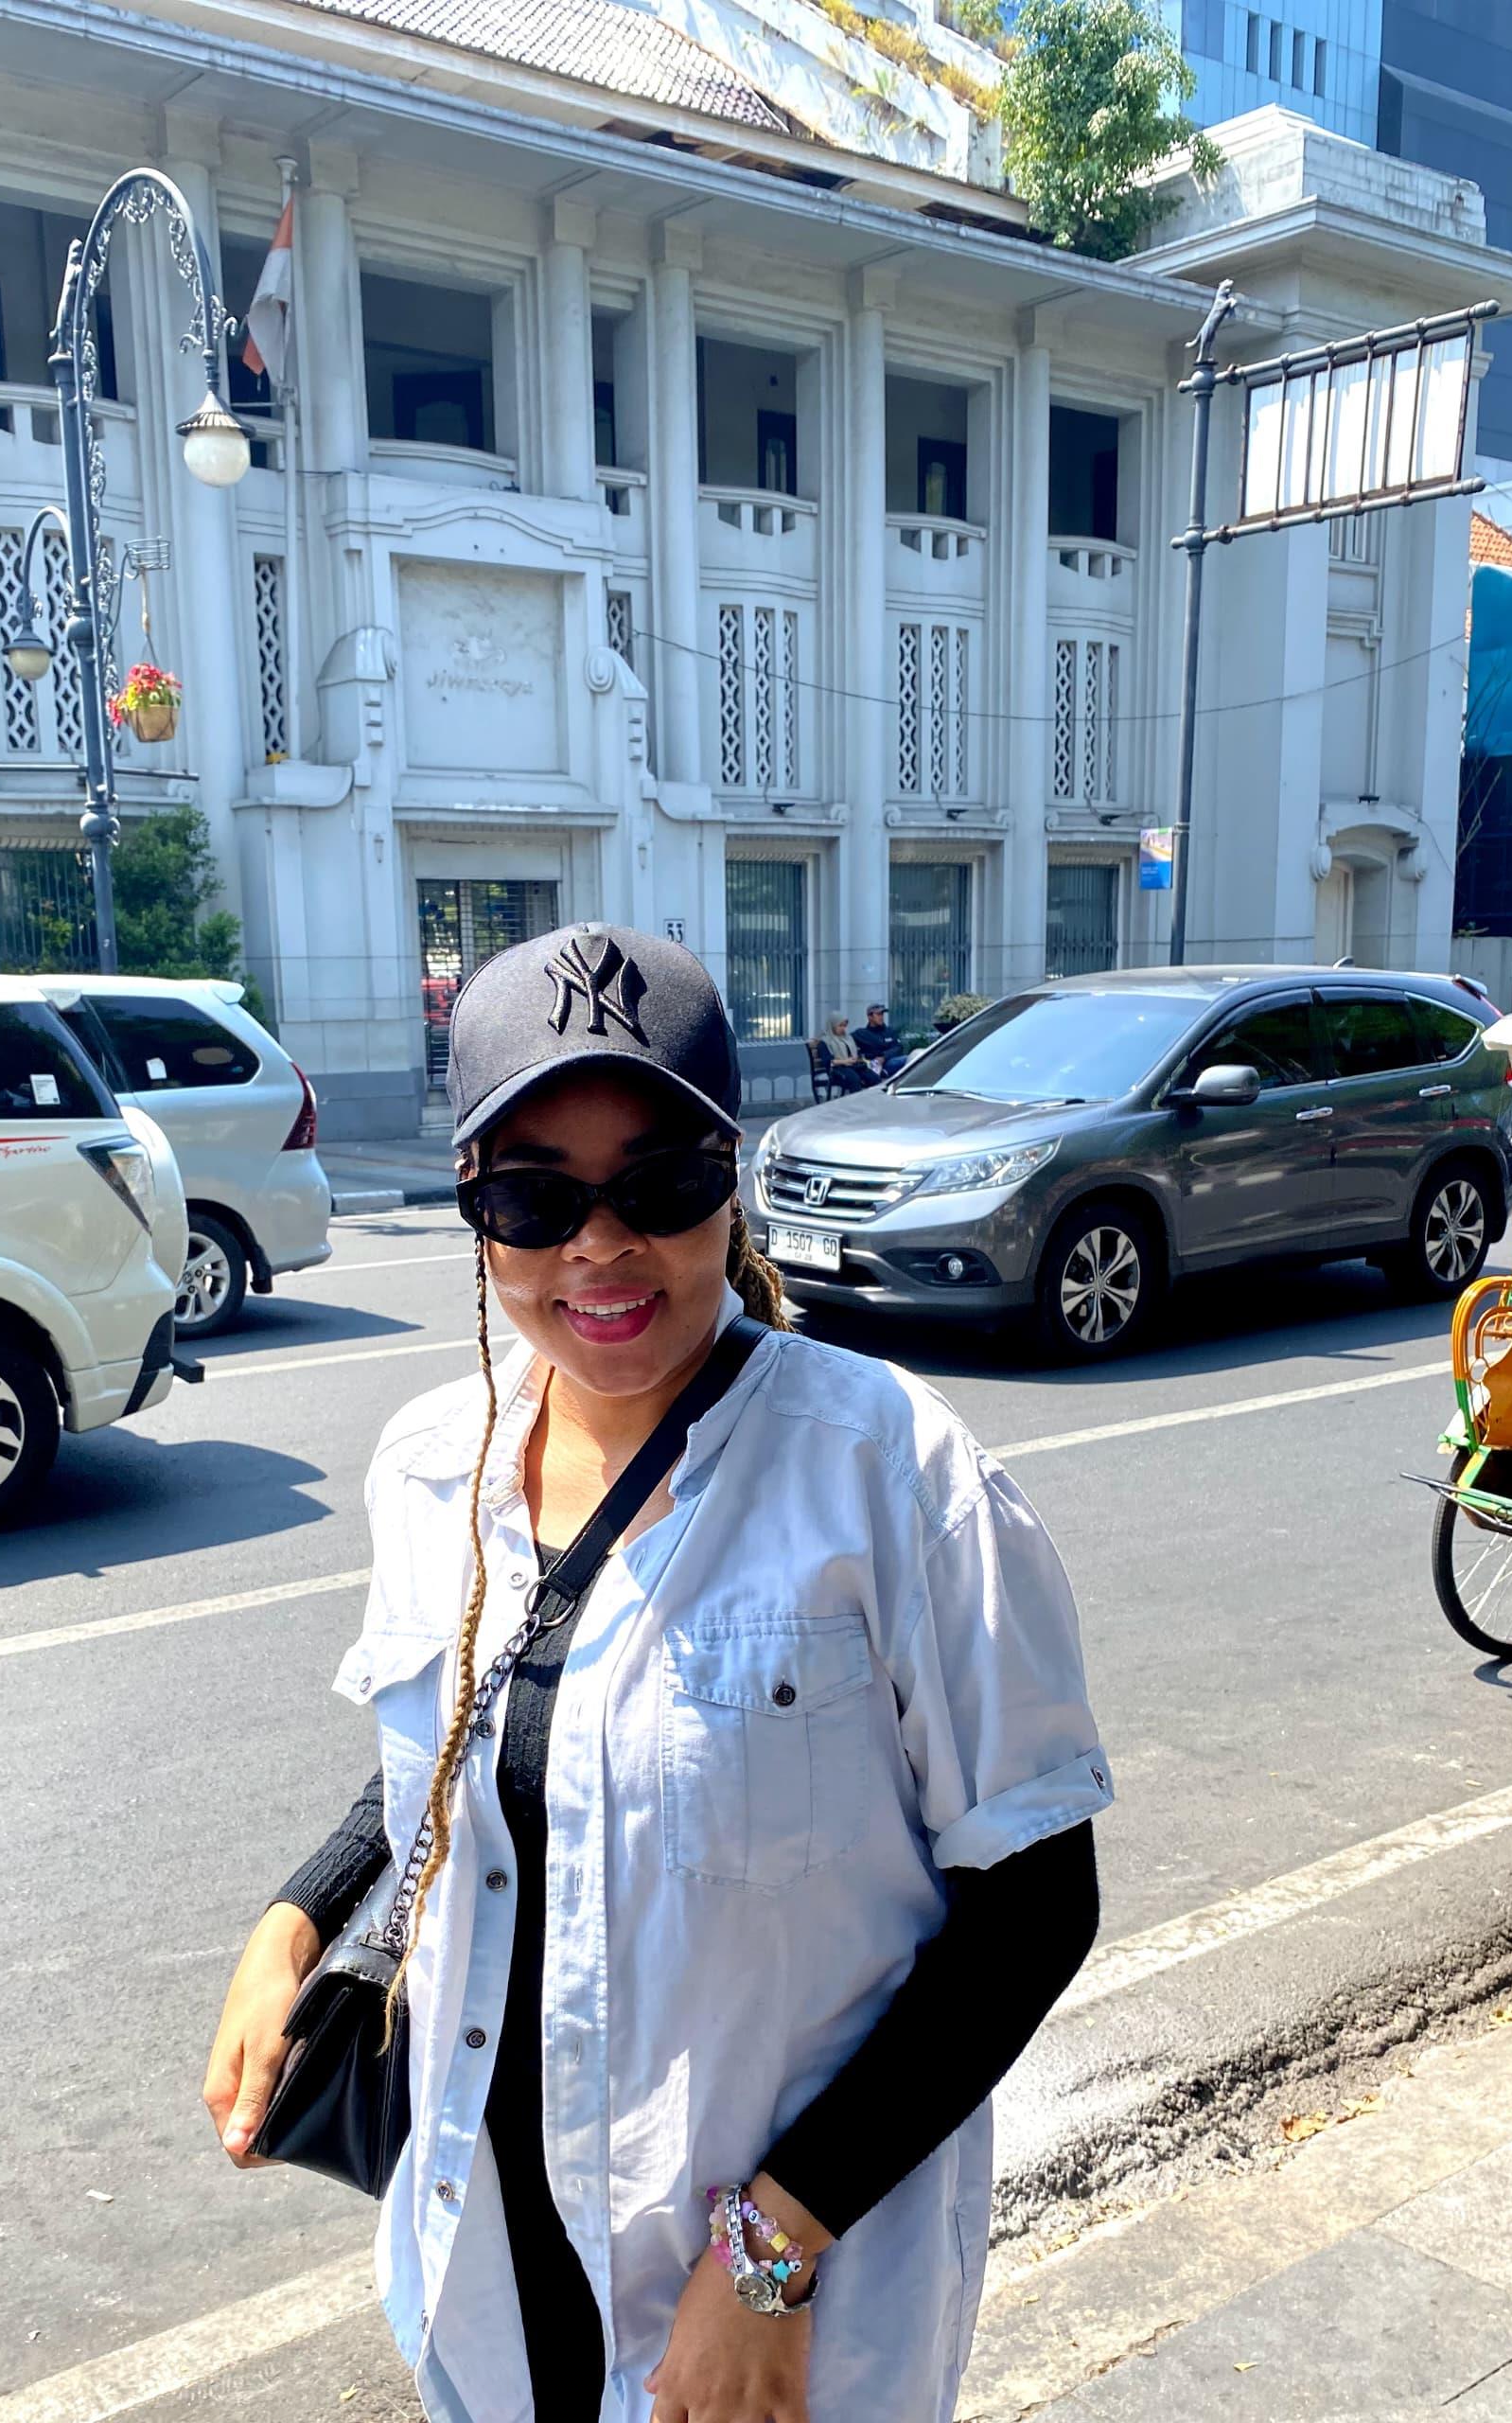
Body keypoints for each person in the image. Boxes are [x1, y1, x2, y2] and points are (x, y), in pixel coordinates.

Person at [204, 922, 1110, 2423]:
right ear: (473, 1206)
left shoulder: (892, 1475)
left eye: (659, 1184)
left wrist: (772, 2252)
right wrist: (294, 1917)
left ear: (728, 1180)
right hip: (485, 2268)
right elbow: (481, 1747)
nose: (599, 1246)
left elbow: (1033, 1906)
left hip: (771, 2312)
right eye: (535, 1196)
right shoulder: (433, 1465)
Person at [821, 1013, 873, 1092]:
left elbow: (855, 1052)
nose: (843, 1028)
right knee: (854, 1079)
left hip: (853, 1066)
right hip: (838, 1069)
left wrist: (856, 1059)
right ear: (832, 1026)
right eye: (840, 1026)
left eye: (844, 1026)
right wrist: (845, 1061)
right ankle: (857, 1100)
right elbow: (829, 1061)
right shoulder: (825, 1041)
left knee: (874, 1078)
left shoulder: (848, 1038)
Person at [854, 1003, 908, 1080]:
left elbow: (898, 1047)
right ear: (870, 1017)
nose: (881, 1017)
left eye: (882, 1014)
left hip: (889, 1061)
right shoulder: (861, 1033)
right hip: (872, 1064)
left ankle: (884, 1072)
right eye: (878, 1014)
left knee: (911, 1058)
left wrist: (884, 1057)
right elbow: (846, 1040)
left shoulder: (889, 1031)